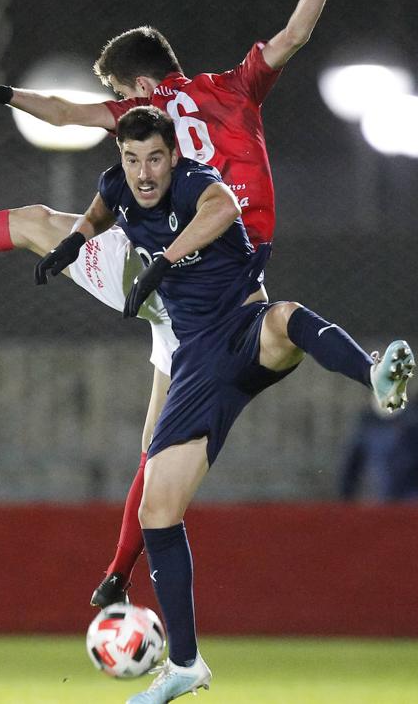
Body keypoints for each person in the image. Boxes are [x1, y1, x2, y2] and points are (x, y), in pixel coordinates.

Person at [0, 0, 384, 606]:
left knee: (156, 430)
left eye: (123, 90)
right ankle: (119, 575)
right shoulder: (237, 85)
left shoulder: (140, 110)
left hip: (186, 267)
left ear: (141, 83)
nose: (124, 104)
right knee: (195, 401)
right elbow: (293, 35)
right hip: (229, 265)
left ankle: (120, 576)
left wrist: (1, 96)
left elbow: (60, 112)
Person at [34, 106, 414, 703]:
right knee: (159, 506)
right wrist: (74, 243)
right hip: (197, 365)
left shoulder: (196, 184)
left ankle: (374, 376)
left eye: (154, 157)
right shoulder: (118, 186)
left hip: (244, 325)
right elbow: (101, 208)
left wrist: (159, 261)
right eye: (132, 160)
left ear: (173, 155)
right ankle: (185, 664)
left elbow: (225, 208)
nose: (143, 173)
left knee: (285, 318)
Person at [339, 393, 418, 501]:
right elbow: (351, 467)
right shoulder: (366, 427)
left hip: (406, 499)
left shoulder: (412, 425)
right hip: (379, 498)